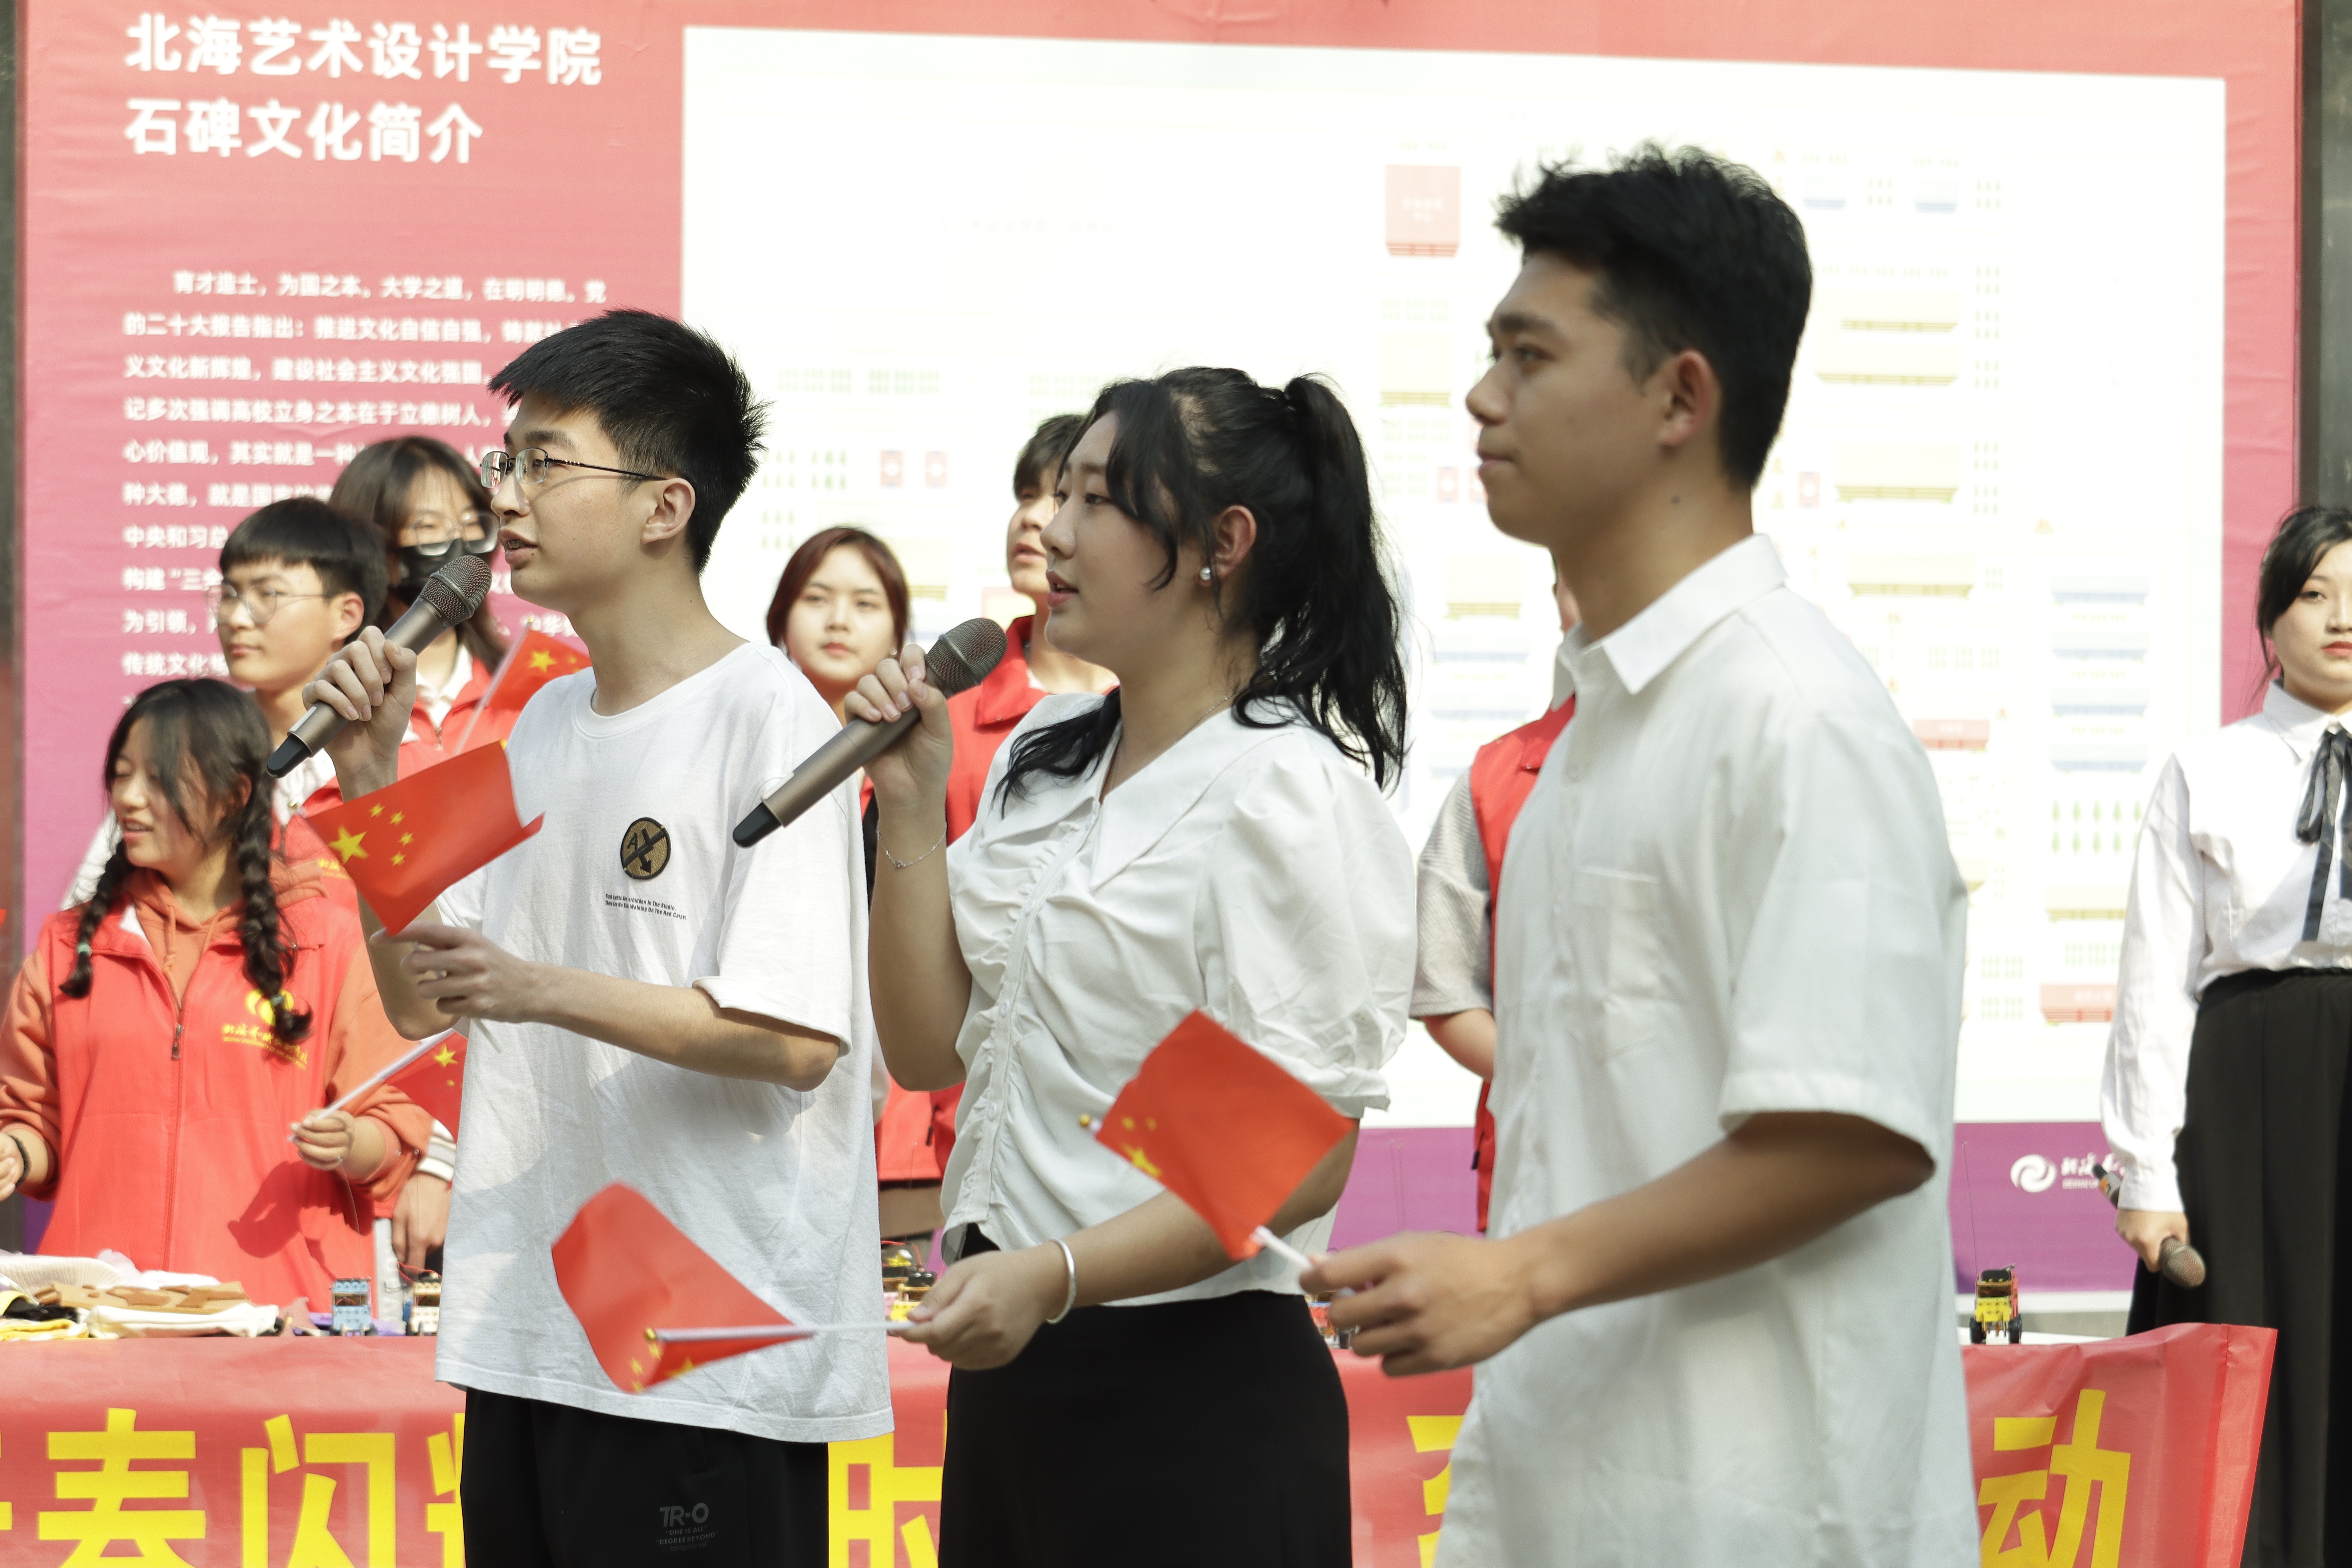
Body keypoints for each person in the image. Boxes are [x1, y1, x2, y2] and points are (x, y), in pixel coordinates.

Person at [1306, 146, 1976, 1564]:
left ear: (1679, 396)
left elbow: (1850, 1128)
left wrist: (1520, 1272)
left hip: (1754, 1507)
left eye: (1529, 354)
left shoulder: (1792, 714)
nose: (1481, 396)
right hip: (1571, 1477)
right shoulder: (1590, 737)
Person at [298, 309, 885, 1565]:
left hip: (702, 1344)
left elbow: (792, 1039)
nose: (504, 497)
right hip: (534, 1323)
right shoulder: (546, 720)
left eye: (544, 462)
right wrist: (369, 771)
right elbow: (420, 996)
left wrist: (539, 986)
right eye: (504, 460)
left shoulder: (772, 716)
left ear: (666, 506)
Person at [855, 366, 1413, 1566]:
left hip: (1191, 1389)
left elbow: (1299, 1151)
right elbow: (924, 1046)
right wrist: (906, 806)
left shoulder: (1286, 791)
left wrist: (1057, 1274)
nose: (1051, 530)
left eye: (1096, 499)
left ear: (1223, 543)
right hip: (1014, 1365)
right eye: (1058, 494)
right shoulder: (1048, 751)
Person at [0, 680, 430, 1309]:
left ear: (235, 794)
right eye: (121, 776)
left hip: (276, 1317)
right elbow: (37, 1123)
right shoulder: (70, 947)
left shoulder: (327, 942)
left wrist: (350, 1143)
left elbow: (393, 1128)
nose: (129, 798)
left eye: (158, 779)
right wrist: (14, 1151)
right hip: (101, 1316)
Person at [2104, 503, 2352, 1566]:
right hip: (2248, 1090)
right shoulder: (2204, 770)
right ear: (2269, 618)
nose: (2341, 619)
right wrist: (2145, 1169)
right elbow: (2154, 983)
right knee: (2246, 1366)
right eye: (2316, 594)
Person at [65, 498, 385, 909]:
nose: (236, 617)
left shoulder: (397, 758)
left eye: (267, 594)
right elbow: (87, 913)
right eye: (229, 593)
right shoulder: (189, 742)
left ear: (346, 614)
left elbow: (429, 925)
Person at [1411, 564, 1578, 1232]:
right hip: (1533, 1172)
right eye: (1575, 573)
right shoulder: (1493, 777)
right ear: (1556, 596)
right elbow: (1446, 990)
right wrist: (1556, 1080)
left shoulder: (1729, 749)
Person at [942, 414, 1114, 840]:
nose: (1032, 518)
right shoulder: (949, 706)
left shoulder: (1155, 711)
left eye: (1063, 498)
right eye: (1026, 496)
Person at [329, 435, 512, 768]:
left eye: (472, 523)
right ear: (373, 546)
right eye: (429, 526)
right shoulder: (338, 700)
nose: (460, 540)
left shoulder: (525, 688)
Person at [766, 525, 910, 725]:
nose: (839, 621)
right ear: (782, 618)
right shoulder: (753, 722)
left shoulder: (931, 728)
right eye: (816, 599)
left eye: (865, 604)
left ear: (897, 629)